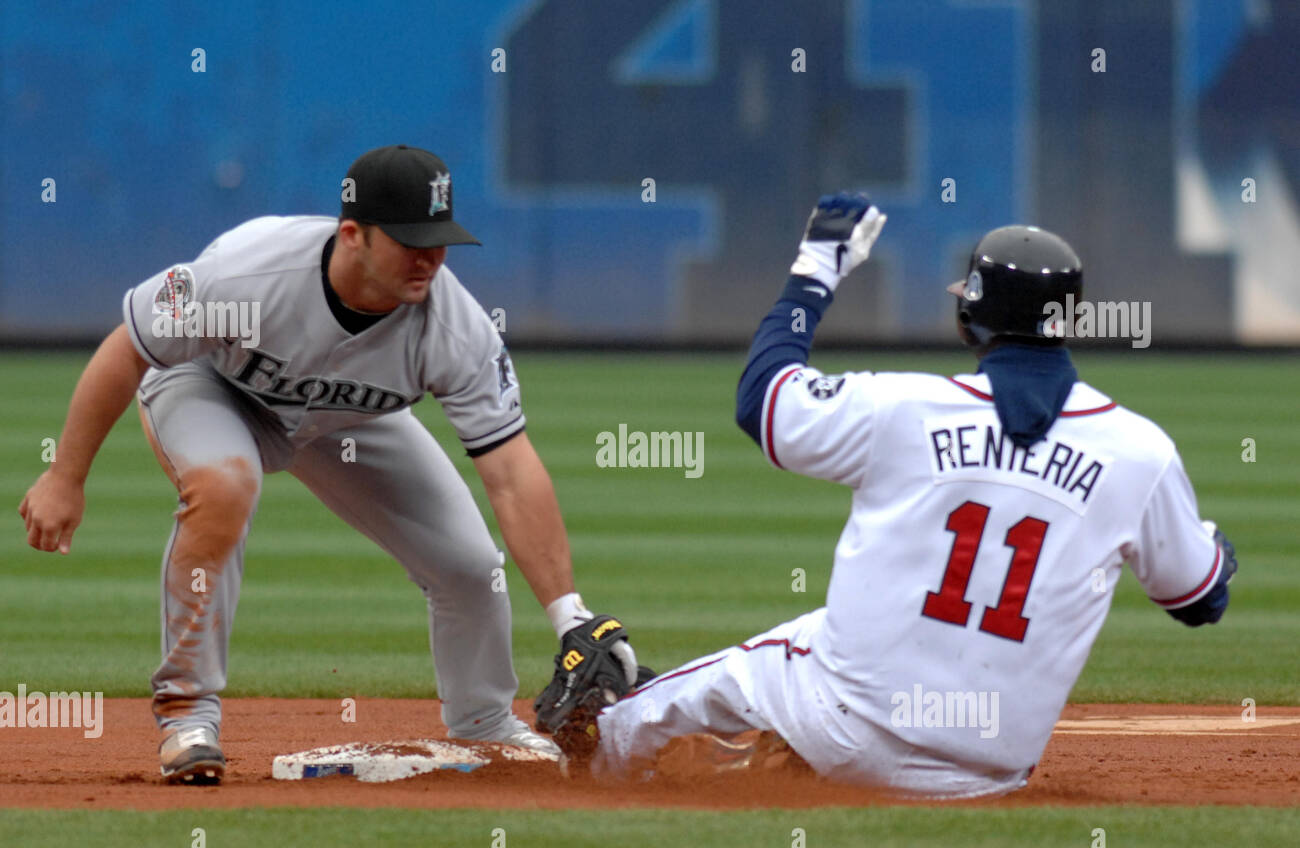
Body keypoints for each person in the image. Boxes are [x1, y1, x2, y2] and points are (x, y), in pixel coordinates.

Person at [551, 193, 1235, 798]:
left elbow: (762, 401)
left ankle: (604, 742)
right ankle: (785, 762)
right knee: (816, 647)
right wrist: (1214, 552)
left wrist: (815, 271)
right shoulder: (1140, 451)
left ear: (970, 319)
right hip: (988, 773)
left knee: (763, 663)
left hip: (846, 726)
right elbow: (1200, 600)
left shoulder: (903, 406)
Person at [18, 144, 634, 785]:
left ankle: (484, 724)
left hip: (340, 419)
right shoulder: (245, 278)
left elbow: (510, 472)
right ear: (353, 235)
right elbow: (126, 351)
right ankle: (187, 717)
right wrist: (66, 476)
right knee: (225, 486)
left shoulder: (455, 328)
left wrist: (569, 613)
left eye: (440, 240)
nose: (429, 257)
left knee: (471, 565)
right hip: (211, 384)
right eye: (409, 240)